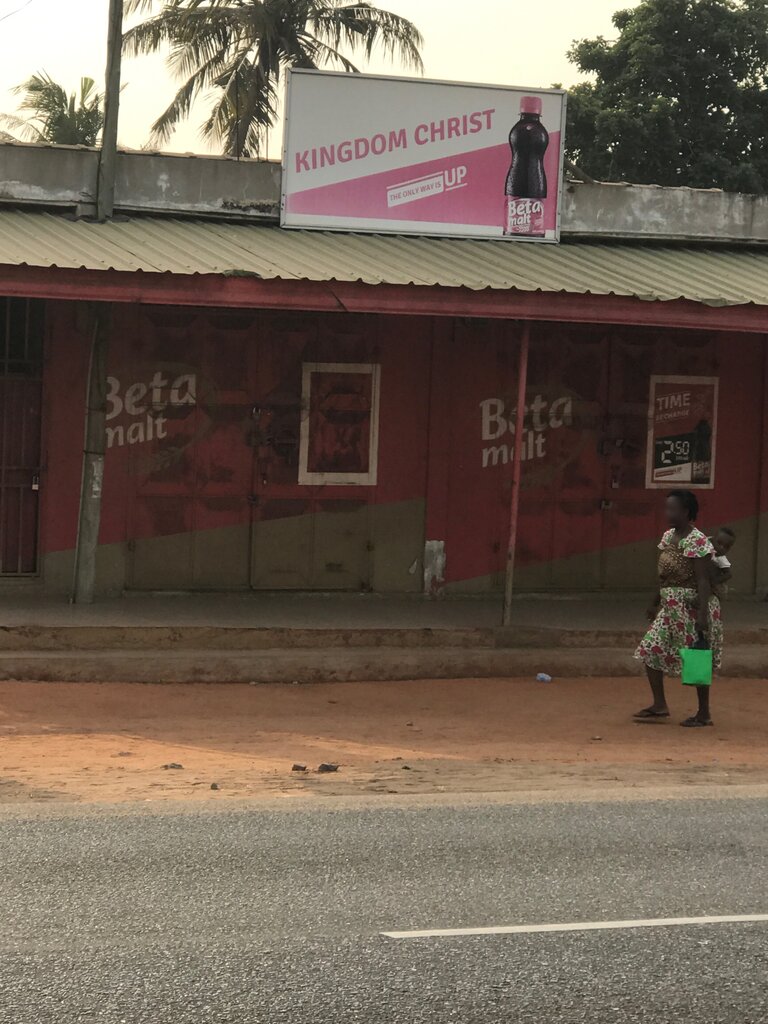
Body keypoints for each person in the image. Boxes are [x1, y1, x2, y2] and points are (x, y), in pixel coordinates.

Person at [634, 489, 723, 727]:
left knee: (696, 658)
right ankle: (660, 705)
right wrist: (655, 603)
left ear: (685, 511)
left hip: (691, 608)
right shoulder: (668, 536)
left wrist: (702, 616)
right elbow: (664, 576)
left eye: (672, 508)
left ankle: (704, 713)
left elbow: (703, 580)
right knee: (651, 649)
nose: (667, 513)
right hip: (669, 605)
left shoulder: (697, 540)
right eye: (666, 508)